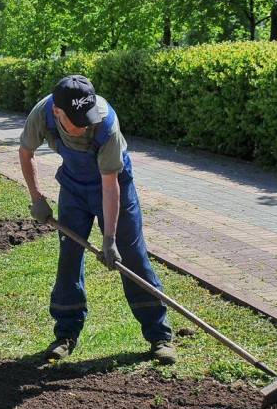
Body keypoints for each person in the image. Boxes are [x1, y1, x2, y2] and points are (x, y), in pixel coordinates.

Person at [18, 75, 176, 364]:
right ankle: (66, 334)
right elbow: (26, 152)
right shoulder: (42, 114)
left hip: (114, 184)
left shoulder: (105, 124)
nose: (84, 124)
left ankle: (159, 336)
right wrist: (37, 198)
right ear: (57, 111)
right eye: (76, 120)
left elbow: (109, 185)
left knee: (132, 255)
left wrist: (110, 240)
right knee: (69, 255)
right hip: (74, 187)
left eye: (86, 117)